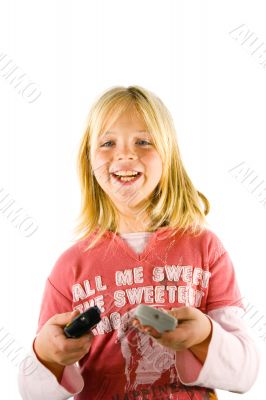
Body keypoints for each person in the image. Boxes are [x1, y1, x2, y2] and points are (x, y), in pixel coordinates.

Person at [18, 85, 260, 400]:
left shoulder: (206, 249)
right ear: (88, 161)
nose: (125, 154)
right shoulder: (70, 266)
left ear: (168, 156)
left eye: (143, 142)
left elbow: (246, 372)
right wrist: (48, 354)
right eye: (107, 143)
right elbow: (31, 392)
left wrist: (203, 335)